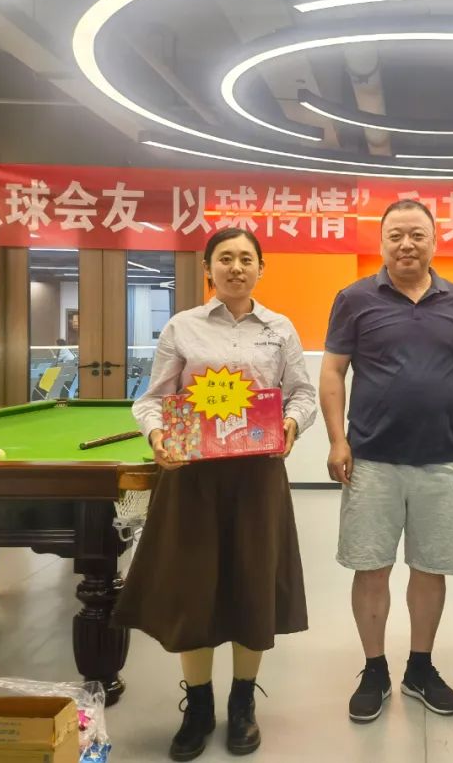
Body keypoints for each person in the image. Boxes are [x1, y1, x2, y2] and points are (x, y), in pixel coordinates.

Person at [117, 227, 316, 761]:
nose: (236, 267)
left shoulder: (280, 328)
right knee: (194, 587)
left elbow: (302, 394)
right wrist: (157, 436)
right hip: (193, 478)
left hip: (257, 477)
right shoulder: (182, 326)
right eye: (225, 258)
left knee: (253, 583)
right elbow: (152, 399)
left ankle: (243, 702)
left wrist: (291, 425)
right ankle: (199, 705)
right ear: (208, 268)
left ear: (261, 268)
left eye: (246, 259)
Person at [320, 199, 453, 723]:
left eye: (417, 234)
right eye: (396, 235)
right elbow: (333, 371)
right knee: (371, 567)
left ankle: (420, 668)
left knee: (431, 568)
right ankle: (374, 669)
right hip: (371, 458)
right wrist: (337, 440)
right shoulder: (354, 298)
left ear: (434, 240)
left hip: (439, 460)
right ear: (382, 241)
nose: (406, 244)